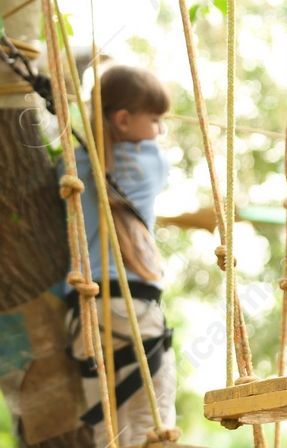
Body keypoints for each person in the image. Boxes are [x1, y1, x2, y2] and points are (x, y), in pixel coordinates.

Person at [64, 63, 177, 442]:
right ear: (124, 120)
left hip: (85, 311)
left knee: (107, 430)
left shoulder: (73, 163)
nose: (160, 130)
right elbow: (161, 170)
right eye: (156, 119)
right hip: (133, 307)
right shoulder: (151, 163)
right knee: (152, 426)